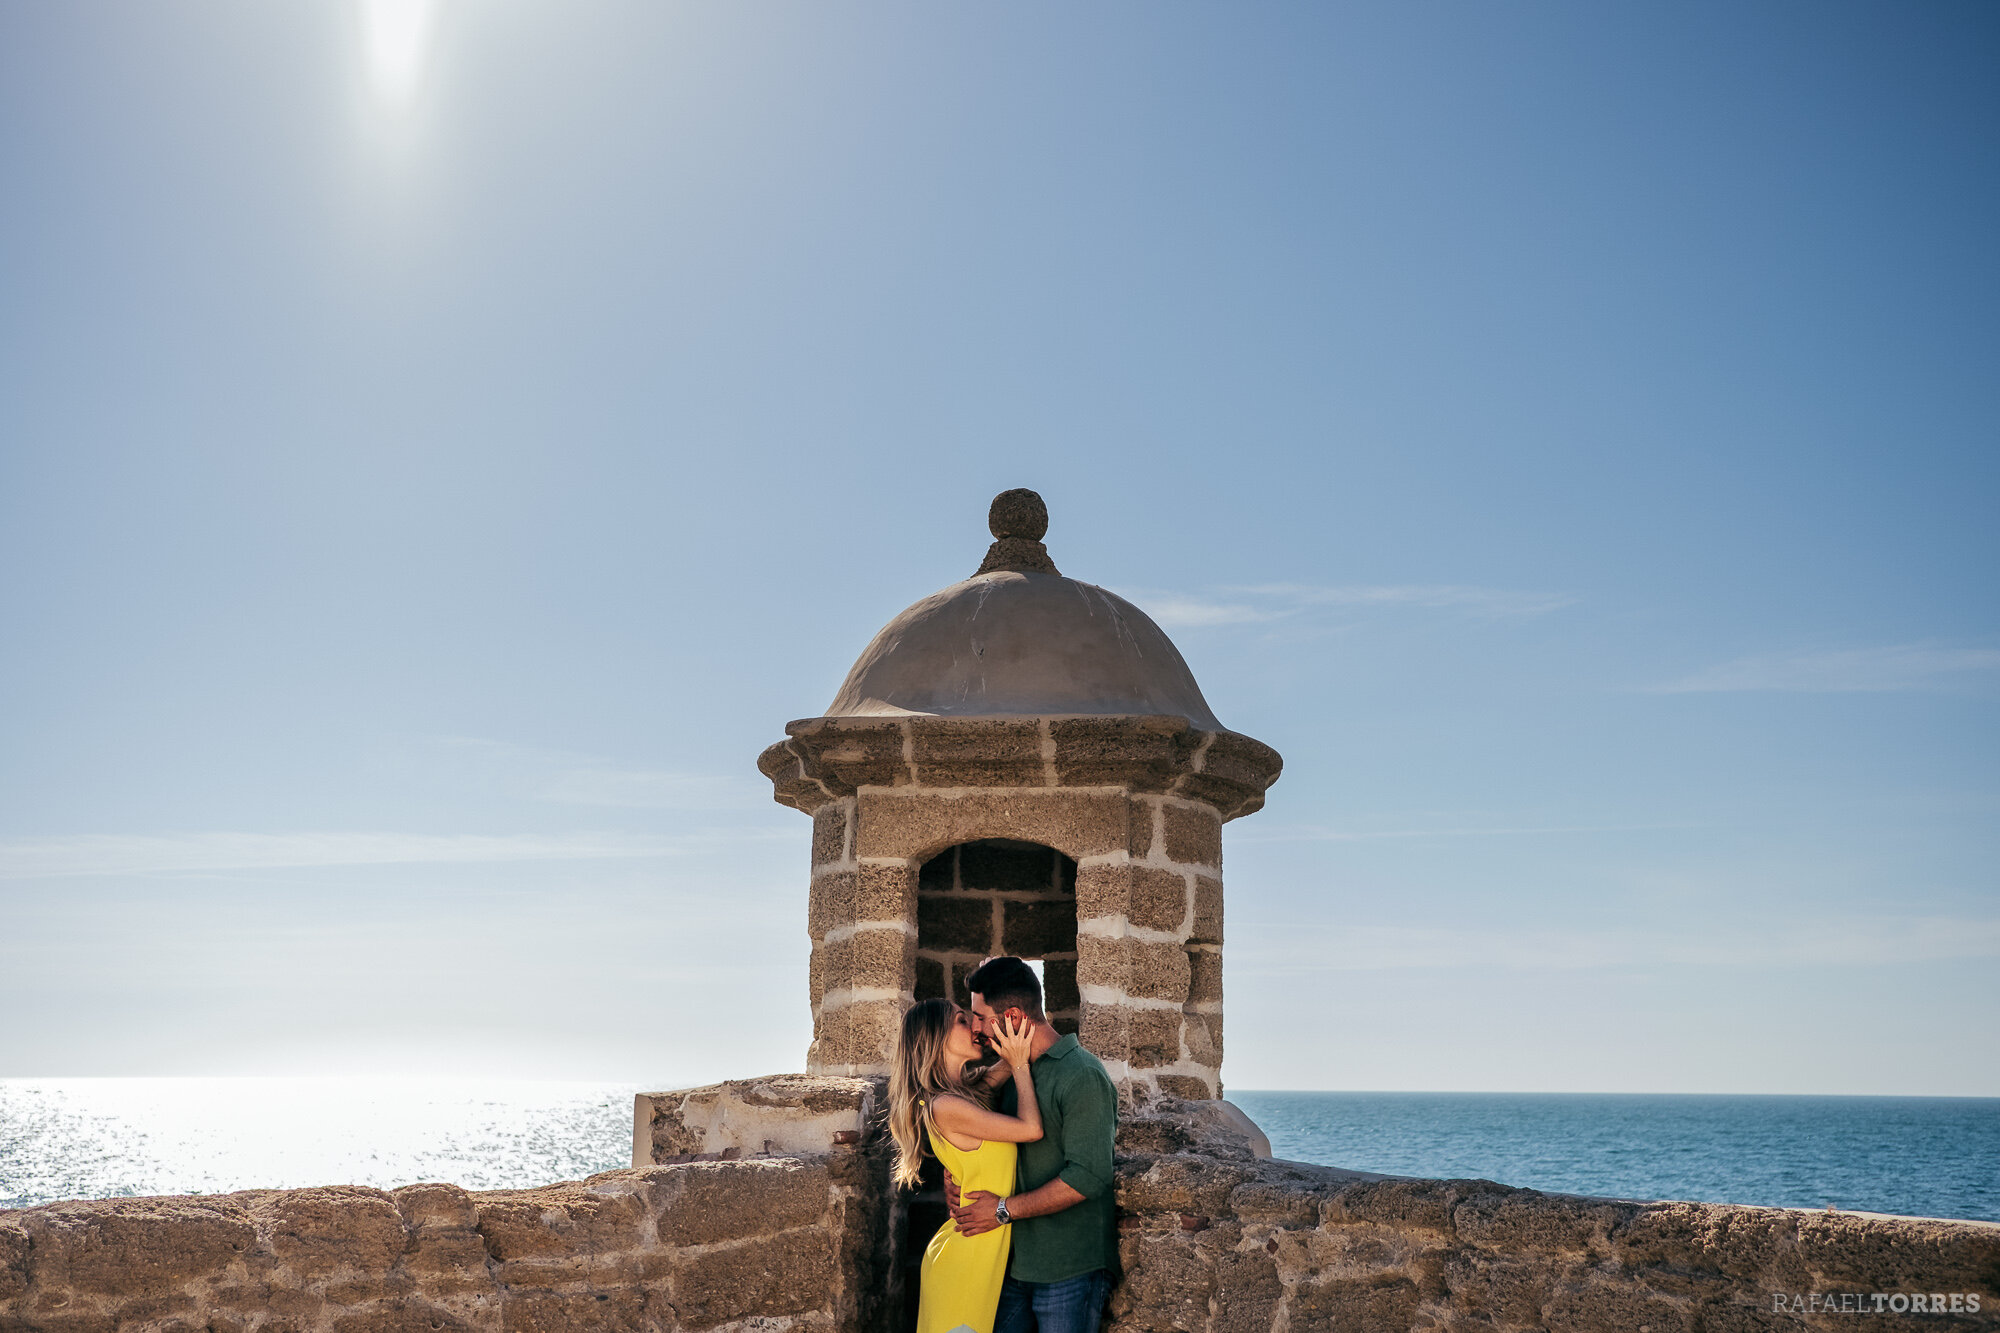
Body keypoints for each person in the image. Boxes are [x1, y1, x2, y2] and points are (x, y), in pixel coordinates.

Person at [947, 957, 1119, 1333]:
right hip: (1010, 1262)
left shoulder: (1082, 1074)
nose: (975, 1029)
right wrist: (956, 1175)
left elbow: (1088, 1177)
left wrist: (1003, 1210)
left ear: (1011, 1016)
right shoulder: (1011, 1070)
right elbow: (968, 1125)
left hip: (1069, 1267)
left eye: (980, 1016)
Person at [889, 996, 1046, 1333]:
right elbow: (1031, 1129)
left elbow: (1005, 1059)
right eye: (962, 1020)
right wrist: (1020, 1066)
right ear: (936, 1038)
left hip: (977, 1249)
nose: (975, 1026)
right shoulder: (945, 1105)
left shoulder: (962, 1093)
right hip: (965, 1260)